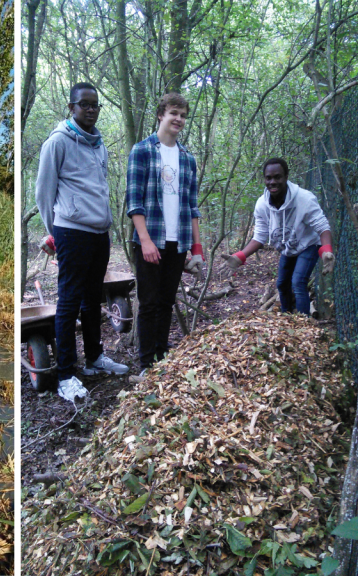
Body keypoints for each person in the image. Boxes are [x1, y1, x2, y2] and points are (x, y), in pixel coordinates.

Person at [36, 82, 128, 400]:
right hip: (71, 231)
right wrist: (56, 232)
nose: (90, 110)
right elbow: (43, 192)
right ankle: (64, 375)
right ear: (71, 107)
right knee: (70, 301)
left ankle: (94, 359)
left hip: (99, 233)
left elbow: (99, 188)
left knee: (93, 299)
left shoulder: (98, 144)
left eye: (94, 105)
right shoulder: (57, 142)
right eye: (84, 104)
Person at [125, 93, 204, 373]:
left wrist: (197, 250)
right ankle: (146, 364)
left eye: (183, 115)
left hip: (177, 241)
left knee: (167, 302)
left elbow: (192, 207)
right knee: (148, 304)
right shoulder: (142, 150)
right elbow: (134, 201)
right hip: (150, 240)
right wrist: (145, 241)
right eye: (173, 113)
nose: (178, 119)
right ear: (161, 114)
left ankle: (161, 357)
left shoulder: (187, 158)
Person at [221, 158, 334, 314]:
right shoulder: (262, 204)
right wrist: (240, 256)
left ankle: (304, 325)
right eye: (268, 178)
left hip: (309, 244)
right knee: (281, 284)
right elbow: (259, 237)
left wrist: (326, 250)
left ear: (286, 177)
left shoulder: (305, 199)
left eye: (277, 177)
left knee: (298, 282)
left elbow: (323, 227)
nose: (272, 182)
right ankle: (287, 318)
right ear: (264, 179)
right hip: (288, 247)